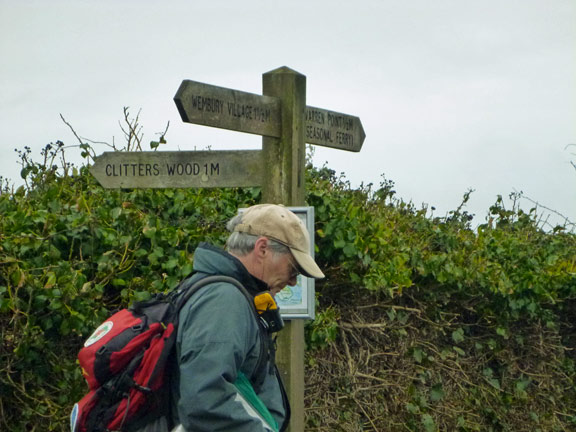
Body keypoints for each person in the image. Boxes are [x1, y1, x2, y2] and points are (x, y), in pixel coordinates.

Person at [170, 204, 325, 432]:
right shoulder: (223, 301)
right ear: (262, 248)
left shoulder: (221, 293)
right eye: (293, 269)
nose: (293, 282)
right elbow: (205, 401)